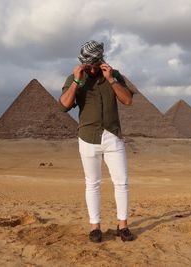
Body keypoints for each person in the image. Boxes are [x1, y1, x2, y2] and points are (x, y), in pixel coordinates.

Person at [59, 40, 134, 242]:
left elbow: (127, 100)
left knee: (122, 183)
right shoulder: (75, 78)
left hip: (112, 136)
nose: (90, 68)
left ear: (100, 60)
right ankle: (95, 227)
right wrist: (76, 81)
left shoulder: (114, 75)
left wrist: (111, 80)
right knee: (92, 184)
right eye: (86, 64)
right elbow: (64, 105)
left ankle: (123, 225)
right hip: (88, 137)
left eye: (92, 64)